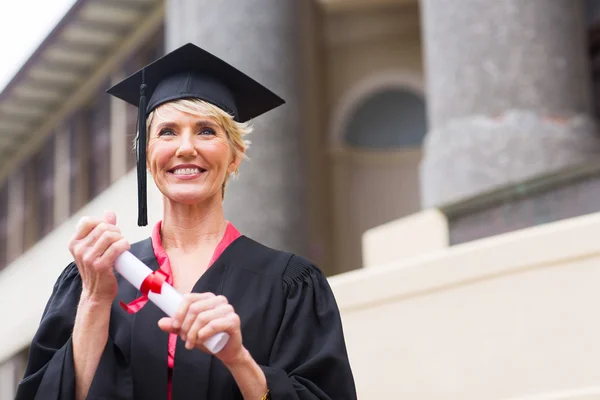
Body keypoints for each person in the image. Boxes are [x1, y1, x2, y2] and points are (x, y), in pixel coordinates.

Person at [15, 43, 357, 400]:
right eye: (167, 132)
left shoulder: (290, 285)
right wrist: (96, 302)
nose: (186, 147)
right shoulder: (97, 275)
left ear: (235, 156)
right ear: (146, 155)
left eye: (207, 131)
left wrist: (239, 360)